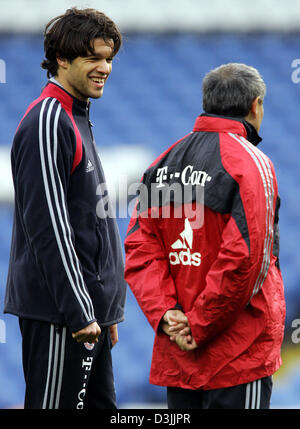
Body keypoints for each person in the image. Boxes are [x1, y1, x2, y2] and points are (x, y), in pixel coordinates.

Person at [124, 63, 285, 409]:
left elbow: (139, 248)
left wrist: (167, 314)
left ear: (207, 102)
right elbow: (246, 258)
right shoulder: (251, 163)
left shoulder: (161, 164)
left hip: (178, 356)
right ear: (255, 106)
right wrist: (199, 325)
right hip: (238, 355)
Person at [4, 8, 126, 409]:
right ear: (62, 58)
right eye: (94, 57)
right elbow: (50, 229)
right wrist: (80, 311)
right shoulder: (48, 120)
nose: (105, 67)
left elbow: (90, 220)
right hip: (63, 318)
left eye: (108, 58)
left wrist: (105, 310)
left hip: (87, 317)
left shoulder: (76, 117)